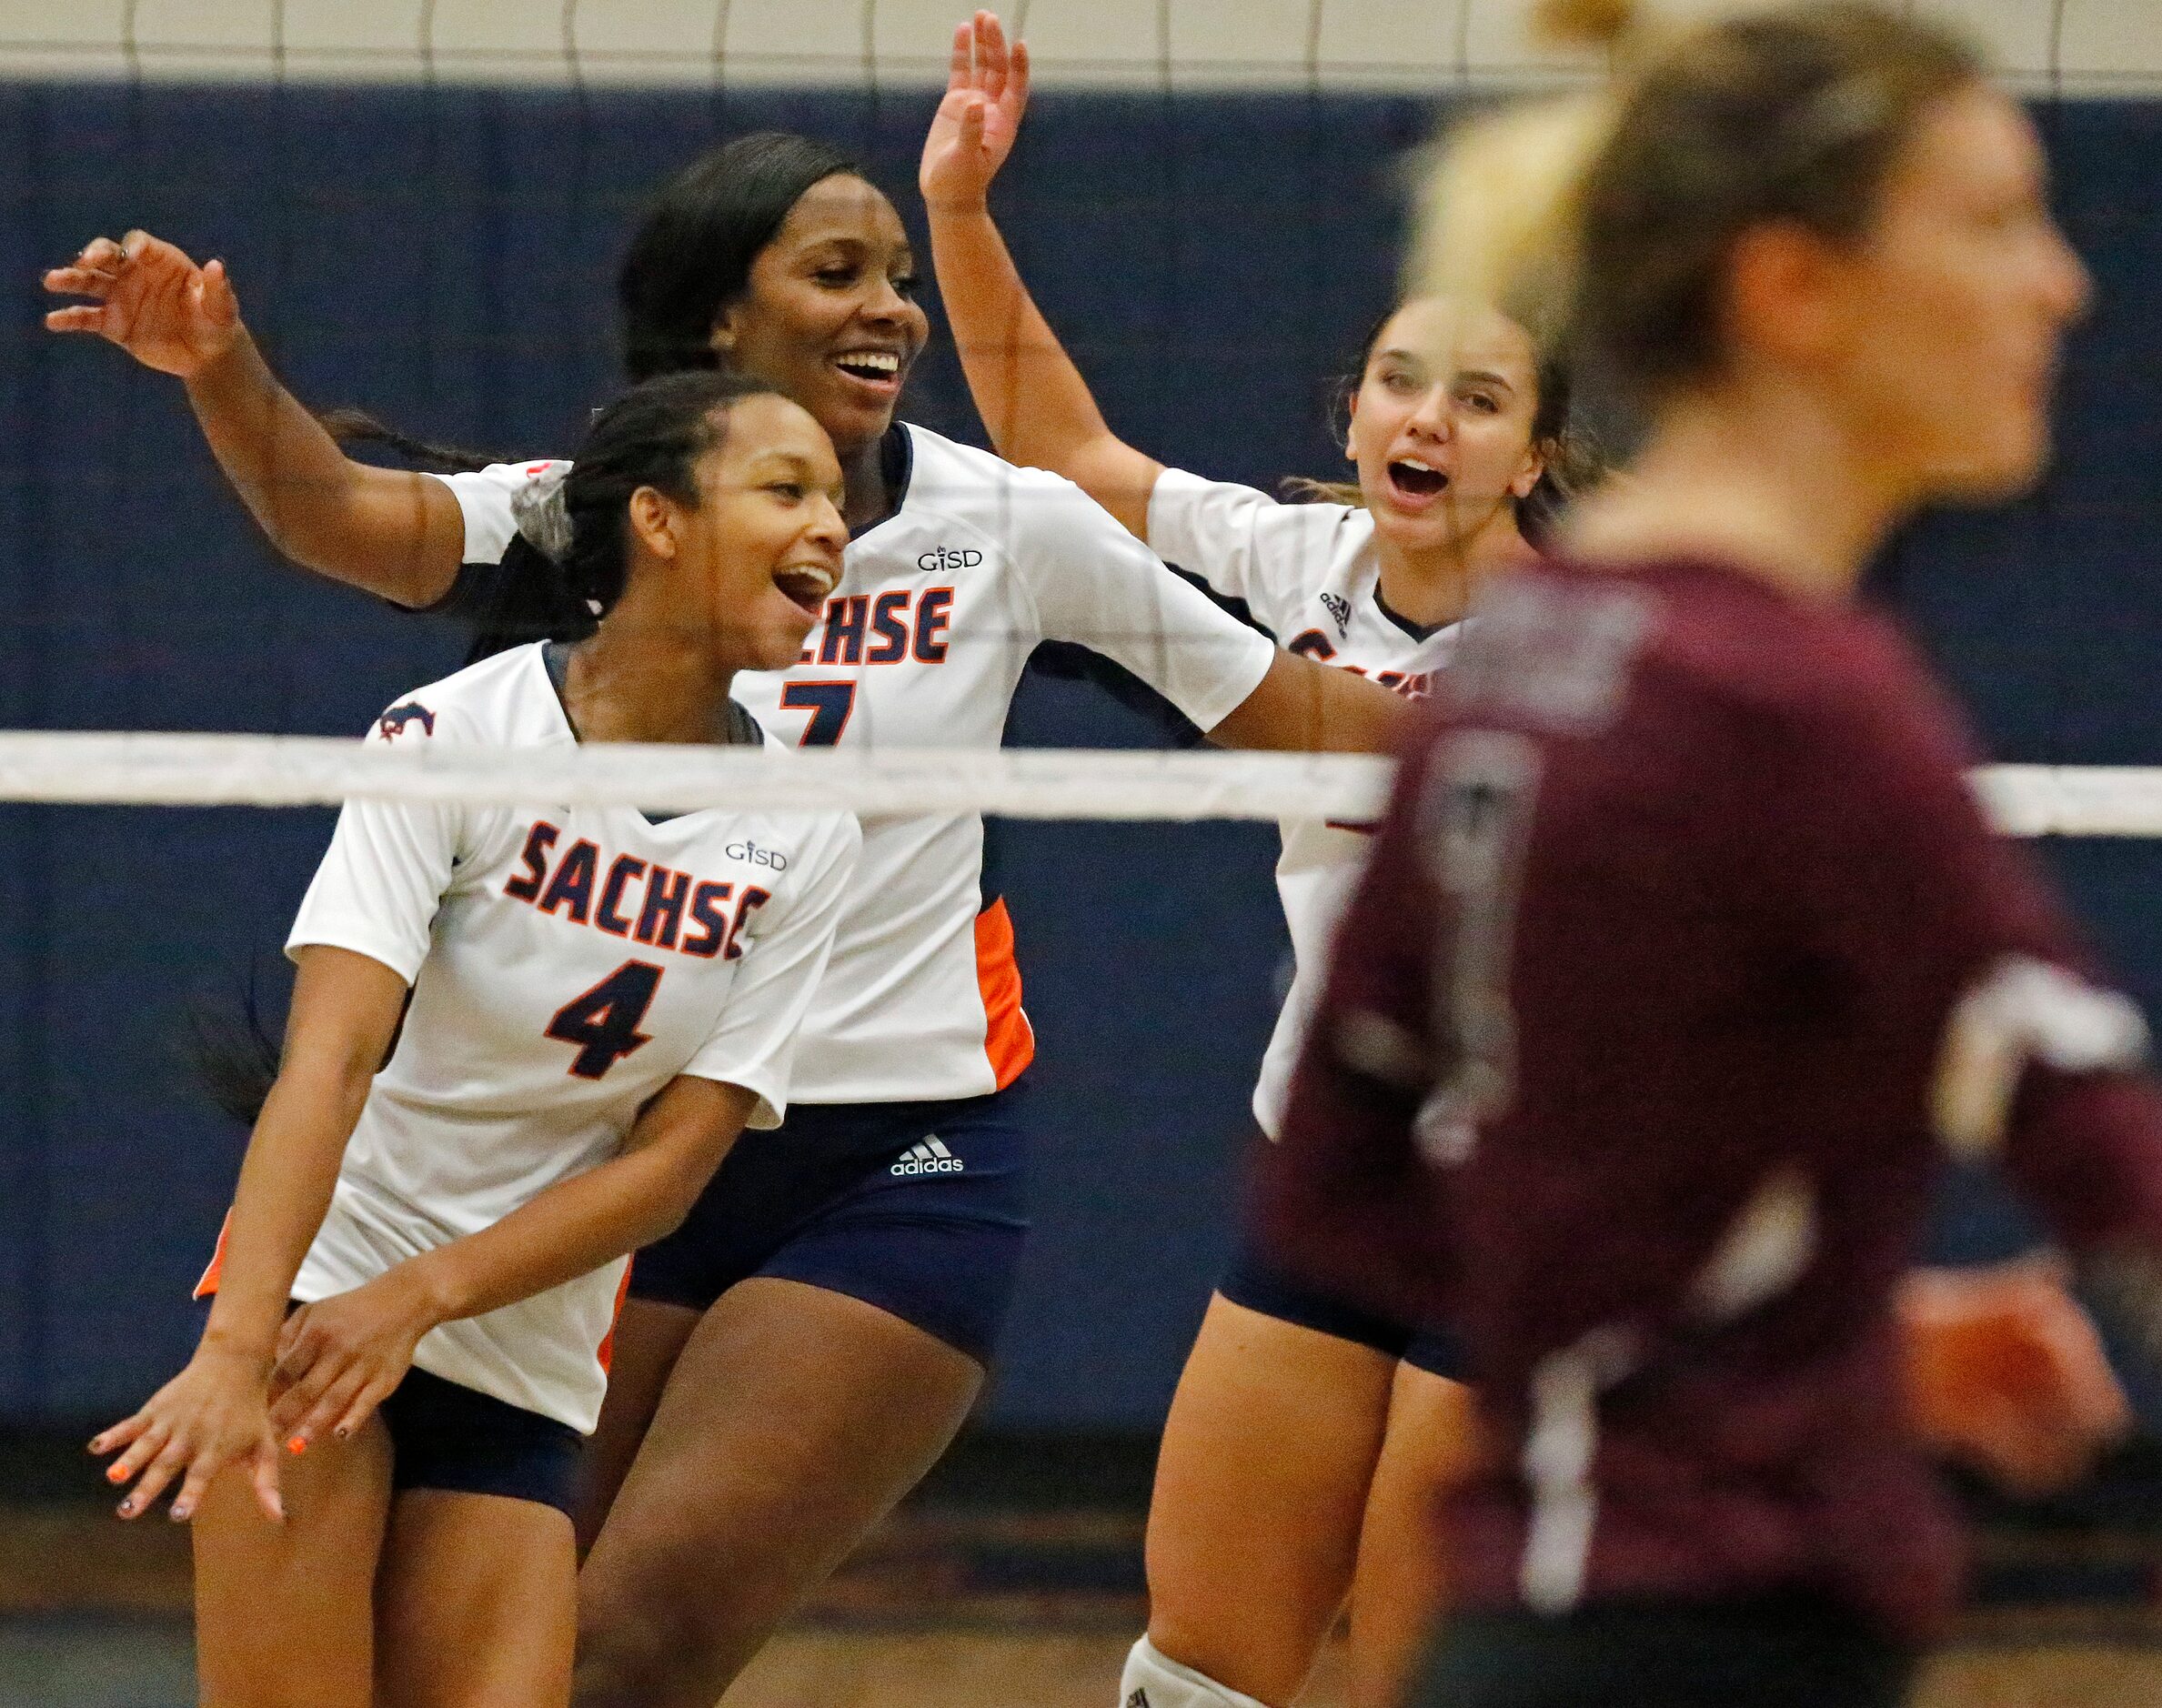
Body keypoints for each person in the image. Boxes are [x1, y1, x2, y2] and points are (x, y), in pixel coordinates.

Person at [44, 127, 1403, 1708]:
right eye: (838, 272)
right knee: (511, 1653)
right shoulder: (604, 531)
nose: (891, 309)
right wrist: (219, 371)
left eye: (900, 275)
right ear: (716, 332)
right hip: (609, 1164)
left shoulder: (1005, 527)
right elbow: (344, 516)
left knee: (627, 1647)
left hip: (890, 1153)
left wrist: (1567, 701)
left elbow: (1292, 714)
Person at [922, 13, 2134, 1707]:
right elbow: (1066, 457)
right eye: (1401, 382)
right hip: (1339, 1193)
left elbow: (2028, 1062)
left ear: (1536, 453)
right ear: (1351, 411)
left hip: (1540, 1229)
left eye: (1478, 397)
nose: (1426, 419)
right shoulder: (1299, 561)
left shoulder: (1637, 658)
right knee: (1198, 1661)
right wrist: (964, 212)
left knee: (1453, 1656)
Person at [92, 368, 861, 1708]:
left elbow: (670, 1171)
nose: (831, 529)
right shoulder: (457, 734)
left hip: (517, 1341)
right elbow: (326, 1062)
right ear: (662, 523)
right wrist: (239, 1344)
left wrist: (429, 1296)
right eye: (786, 489)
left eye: (836, 501)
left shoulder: (810, 830)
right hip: (325, 1299)